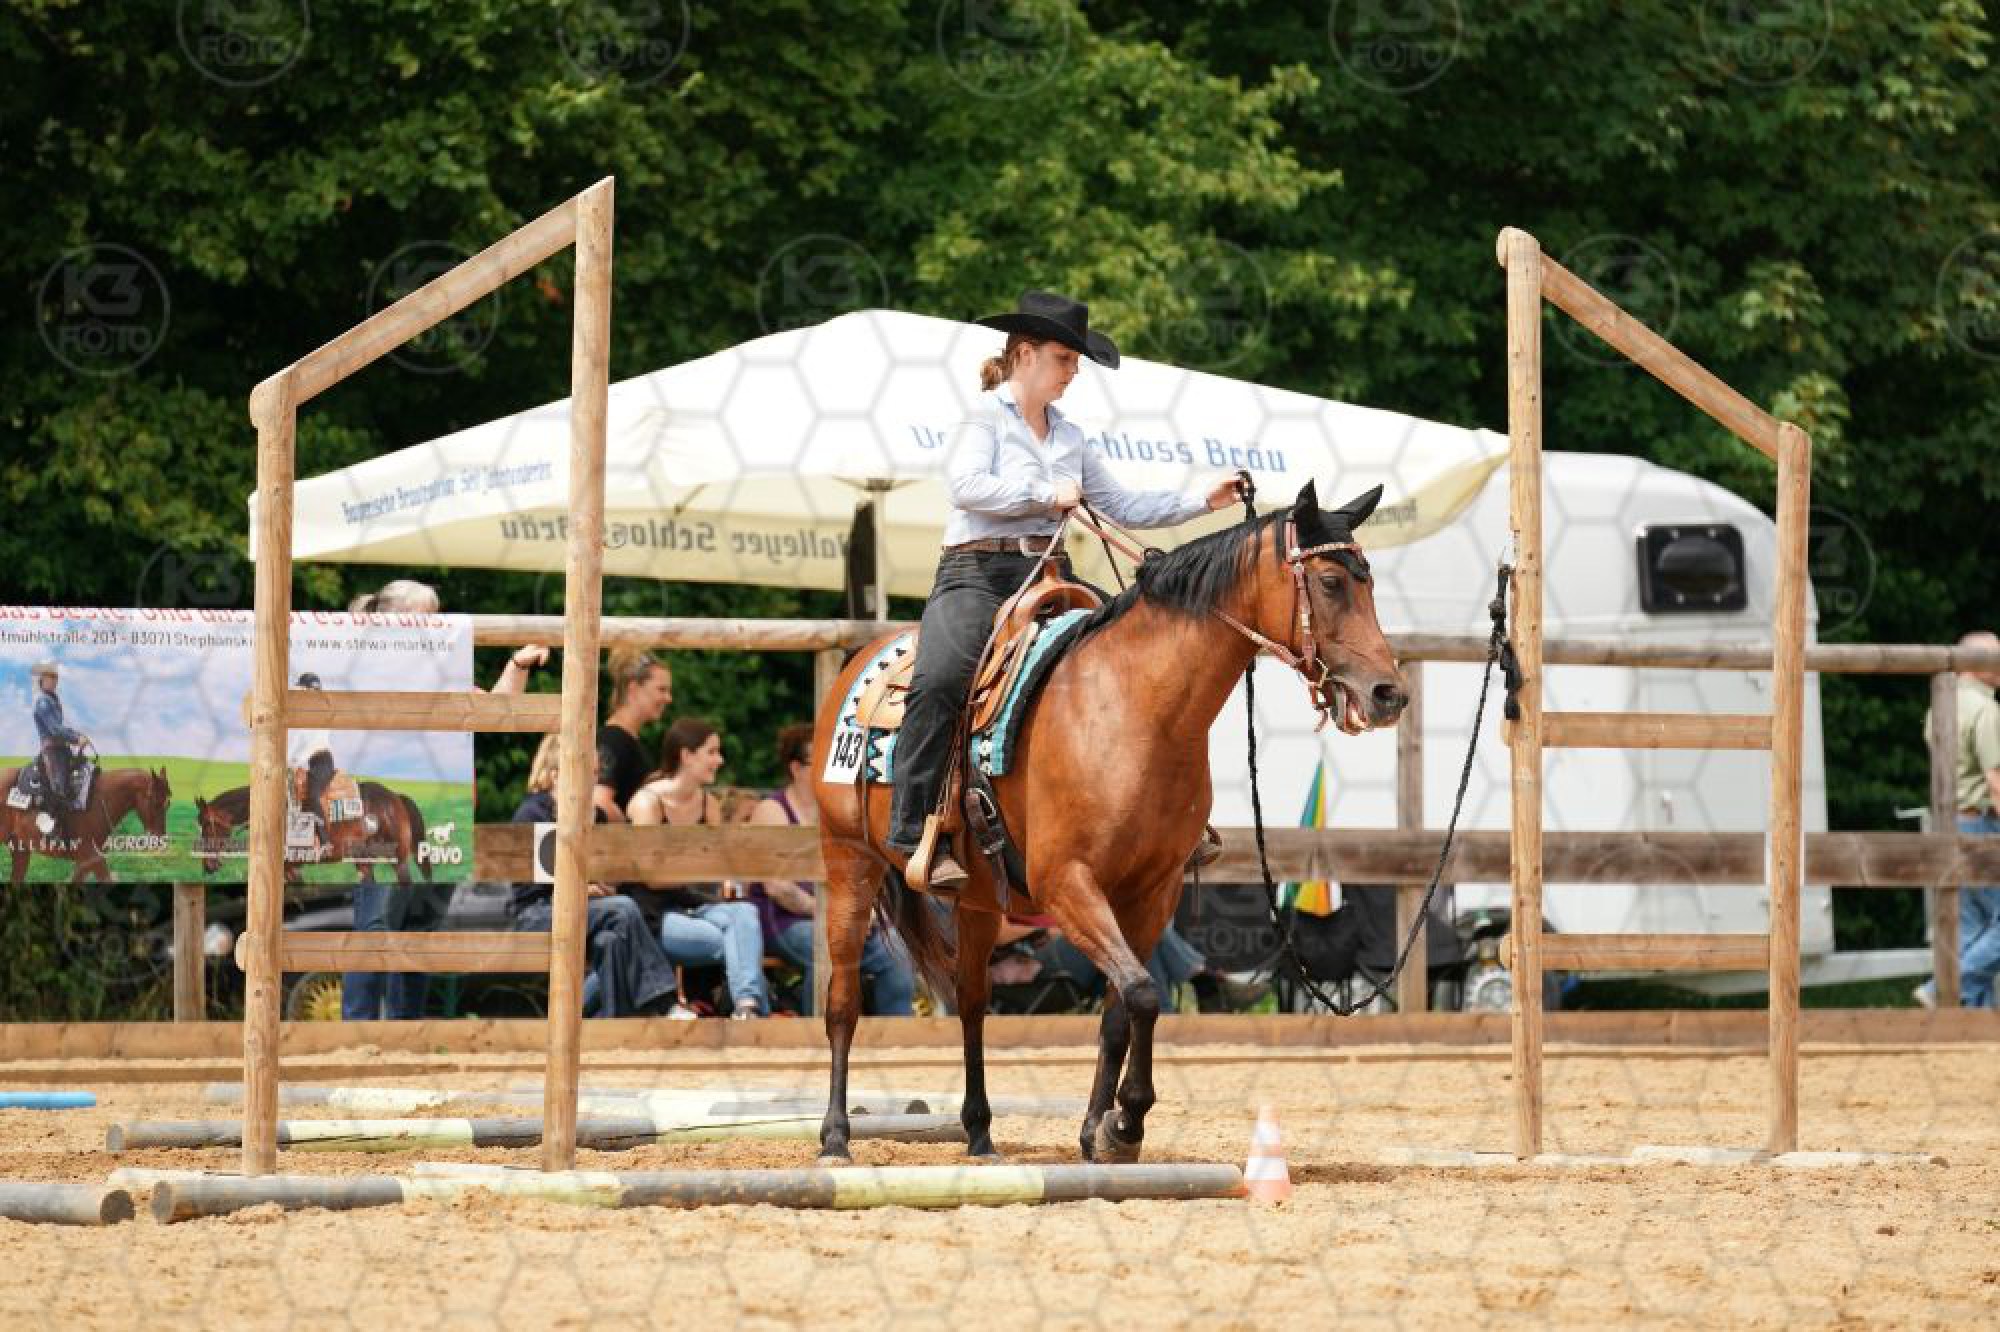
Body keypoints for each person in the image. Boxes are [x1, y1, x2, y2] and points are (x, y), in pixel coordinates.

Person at [888, 290, 1241, 890]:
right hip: (976, 574)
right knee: (941, 680)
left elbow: (1123, 505)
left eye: (1076, 361)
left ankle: (1163, 820)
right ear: (1025, 355)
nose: (1074, 371)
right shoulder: (983, 418)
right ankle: (912, 828)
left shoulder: (1070, 437)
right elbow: (965, 487)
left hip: (1051, 573)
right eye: (1065, 358)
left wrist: (1202, 501)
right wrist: (1043, 494)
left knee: (1134, 660)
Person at [509, 734, 685, 1018]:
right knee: (624, 908)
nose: (594, 780)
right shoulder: (534, 813)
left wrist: (603, 886)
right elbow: (542, 887)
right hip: (536, 913)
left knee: (610, 941)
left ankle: (611, 1027)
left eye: (595, 772)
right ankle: (663, 1002)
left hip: (580, 910)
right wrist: (585, 890)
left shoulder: (595, 815)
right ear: (556, 775)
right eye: (586, 772)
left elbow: (604, 875)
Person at [749, 723, 916, 1016]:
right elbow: (776, 887)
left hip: (838, 919)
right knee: (826, 948)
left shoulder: (838, 811)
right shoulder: (771, 811)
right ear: (796, 769)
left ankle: (894, 1036)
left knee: (896, 952)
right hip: (784, 919)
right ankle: (821, 1034)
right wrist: (830, 913)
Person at [627, 719, 769, 1019]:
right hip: (651, 915)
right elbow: (651, 877)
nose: (720, 760)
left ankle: (747, 1007)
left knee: (746, 913)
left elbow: (718, 864)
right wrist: (700, 868)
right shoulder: (647, 802)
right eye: (712, 752)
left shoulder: (709, 804)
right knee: (737, 942)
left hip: (693, 904)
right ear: (686, 755)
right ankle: (753, 1014)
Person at [1926, 631, 2000, 1009]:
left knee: (1970, 930)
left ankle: (1971, 1025)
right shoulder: (1986, 710)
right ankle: (1939, 989)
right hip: (1981, 825)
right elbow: (1996, 781)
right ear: (1978, 663)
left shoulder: (1940, 706)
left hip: (1948, 823)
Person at [349, 578, 549, 693]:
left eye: (435, 617)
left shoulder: (440, 676)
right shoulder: (357, 670)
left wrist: (518, 665)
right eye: (424, 619)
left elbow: (495, 711)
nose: (436, 627)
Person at [596, 648, 672, 823]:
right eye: (661, 689)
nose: (668, 698)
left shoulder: (628, 740)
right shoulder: (613, 741)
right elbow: (600, 802)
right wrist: (635, 829)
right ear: (634, 689)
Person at [28, 660, 85, 835]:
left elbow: (60, 727)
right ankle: (50, 831)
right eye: (50, 678)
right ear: (42, 680)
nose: (53, 681)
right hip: (53, 752)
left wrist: (76, 735)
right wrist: (76, 738)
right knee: (58, 789)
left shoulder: (53, 699)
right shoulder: (43, 702)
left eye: (55, 678)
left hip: (62, 749)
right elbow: (54, 729)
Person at [286, 673, 337, 859]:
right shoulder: (305, 716)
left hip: (322, 761)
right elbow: (296, 742)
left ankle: (325, 842)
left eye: (301, 689)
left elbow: (313, 744)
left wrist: (295, 761)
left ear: (309, 690)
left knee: (312, 795)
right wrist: (286, 760)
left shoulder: (320, 713)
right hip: (312, 762)